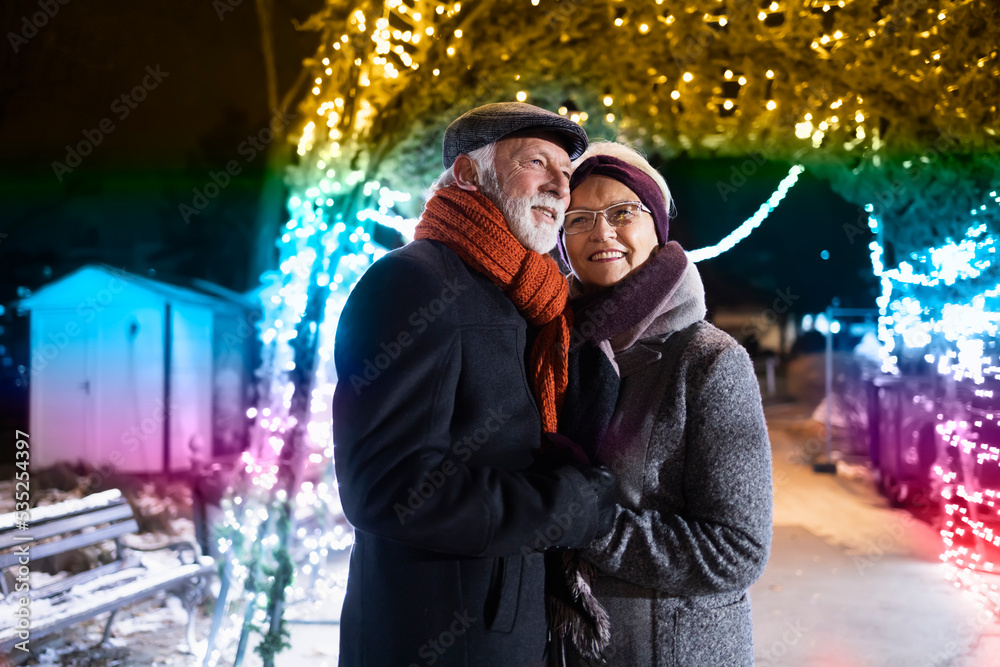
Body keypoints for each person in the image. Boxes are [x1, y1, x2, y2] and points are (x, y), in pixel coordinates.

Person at [332, 103, 619, 667]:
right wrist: (569, 505)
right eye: (538, 162)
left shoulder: (525, 296)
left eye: (567, 173)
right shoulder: (412, 282)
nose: (561, 189)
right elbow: (389, 489)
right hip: (436, 637)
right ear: (468, 175)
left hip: (502, 630)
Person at [553, 142, 773, 666]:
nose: (601, 232)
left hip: (672, 650)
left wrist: (588, 522)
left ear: (657, 226)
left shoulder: (708, 362)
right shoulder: (553, 351)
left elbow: (736, 551)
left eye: (622, 213)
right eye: (578, 218)